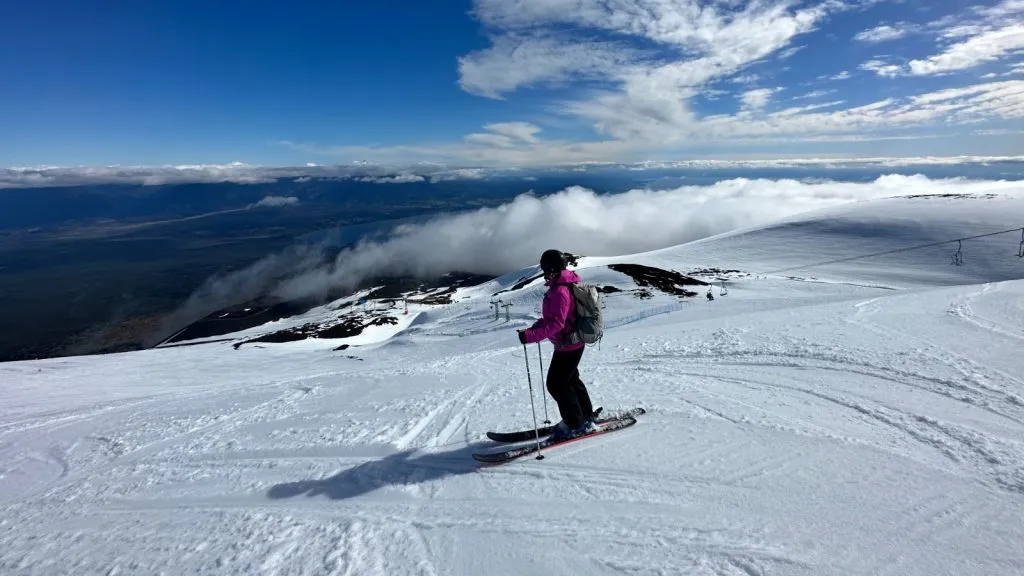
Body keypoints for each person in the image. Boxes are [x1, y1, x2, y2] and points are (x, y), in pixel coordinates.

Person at [517, 249, 600, 440]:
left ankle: (575, 423)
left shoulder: (560, 290)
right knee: (570, 380)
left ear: (552, 270)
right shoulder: (562, 285)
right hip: (571, 342)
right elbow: (552, 319)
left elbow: (557, 323)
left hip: (568, 345)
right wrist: (533, 329)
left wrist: (532, 337)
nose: (544, 273)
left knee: (556, 384)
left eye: (545, 269)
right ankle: (585, 416)